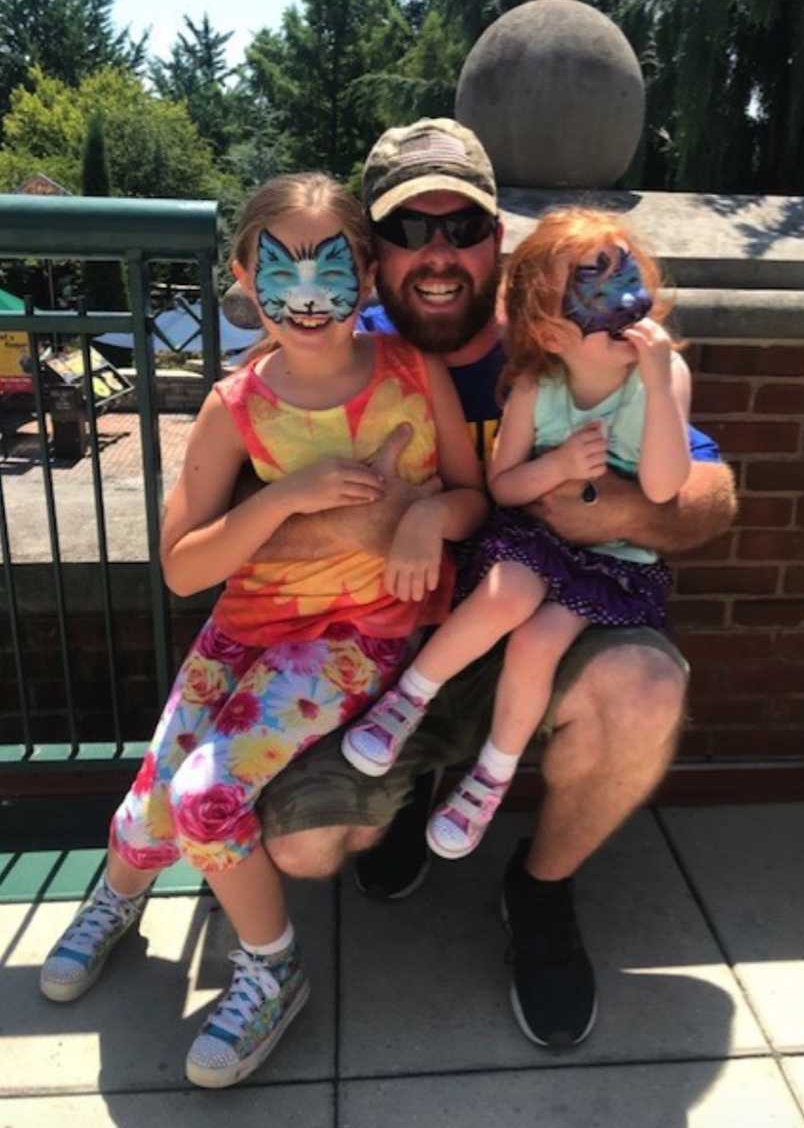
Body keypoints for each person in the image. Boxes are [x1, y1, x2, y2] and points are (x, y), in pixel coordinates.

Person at [247, 120, 736, 1051]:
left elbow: (708, 498)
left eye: (462, 226)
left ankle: (540, 889)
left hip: (554, 609)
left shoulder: (570, 335)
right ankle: (415, 779)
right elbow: (245, 524)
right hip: (395, 640)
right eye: (409, 230)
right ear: (370, 252)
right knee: (304, 845)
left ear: (497, 241)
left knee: (643, 686)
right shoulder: (328, 346)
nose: (438, 254)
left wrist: (620, 509)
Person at [39, 170, 485, 1087]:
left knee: (206, 799)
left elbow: (473, 499)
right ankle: (119, 895)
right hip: (248, 627)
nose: (309, 296)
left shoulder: (414, 372)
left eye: (332, 266)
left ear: (366, 276)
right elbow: (183, 566)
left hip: (353, 637)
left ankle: (272, 970)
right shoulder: (234, 407)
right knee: (159, 787)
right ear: (244, 277)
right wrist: (284, 498)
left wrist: (424, 520)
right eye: (281, 269)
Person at [342, 207, 692, 864]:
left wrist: (655, 384)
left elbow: (667, 488)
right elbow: (502, 487)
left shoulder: (665, 377)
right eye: (594, 289)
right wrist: (557, 468)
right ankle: (407, 701)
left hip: (614, 562)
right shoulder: (538, 385)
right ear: (551, 331)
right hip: (535, 540)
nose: (622, 306)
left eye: (629, 282)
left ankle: (488, 779)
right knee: (506, 594)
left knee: (540, 637)